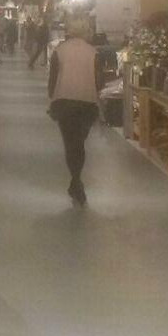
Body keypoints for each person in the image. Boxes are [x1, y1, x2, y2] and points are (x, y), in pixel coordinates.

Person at [48, 16, 104, 206]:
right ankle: (76, 182)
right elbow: (99, 81)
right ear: (86, 31)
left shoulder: (59, 51)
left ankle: (76, 181)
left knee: (70, 143)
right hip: (87, 103)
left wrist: (52, 98)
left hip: (64, 102)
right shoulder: (93, 52)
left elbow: (53, 78)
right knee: (79, 142)